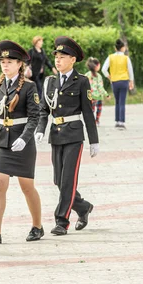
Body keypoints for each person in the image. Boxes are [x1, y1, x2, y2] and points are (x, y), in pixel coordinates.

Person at [35, 37, 99, 235]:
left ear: (73, 60)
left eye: (63, 57)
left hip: (73, 134)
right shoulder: (50, 82)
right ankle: (82, 206)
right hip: (56, 134)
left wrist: (94, 140)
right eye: (56, 56)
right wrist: (40, 129)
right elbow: (43, 110)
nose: (58, 60)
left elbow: (88, 112)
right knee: (58, 180)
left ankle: (61, 221)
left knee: (68, 180)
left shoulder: (81, 81)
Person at [0, 40, 43, 244]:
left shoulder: (29, 86)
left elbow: (35, 117)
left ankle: (37, 225)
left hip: (21, 141)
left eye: (10, 61)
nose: (5, 65)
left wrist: (25, 139)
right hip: (1, 140)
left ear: (19, 64)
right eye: (3, 61)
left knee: (27, 187)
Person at [102, 39, 135, 129]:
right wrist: (131, 81)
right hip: (124, 81)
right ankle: (121, 122)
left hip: (115, 81)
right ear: (123, 48)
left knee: (117, 101)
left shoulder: (110, 57)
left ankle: (117, 121)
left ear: (115, 48)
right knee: (122, 102)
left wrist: (109, 77)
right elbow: (130, 70)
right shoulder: (126, 58)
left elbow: (104, 69)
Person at [84, 57, 109, 125]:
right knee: (99, 108)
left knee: (91, 109)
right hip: (98, 95)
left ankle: (90, 121)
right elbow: (100, 87)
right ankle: (97, 120)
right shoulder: (98, 76)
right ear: (97, 66)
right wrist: (106, 94)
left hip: (90, 95)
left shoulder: (86, 75)